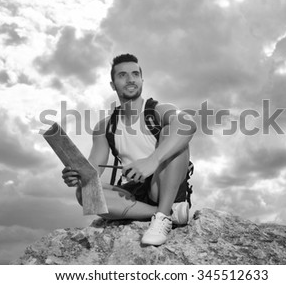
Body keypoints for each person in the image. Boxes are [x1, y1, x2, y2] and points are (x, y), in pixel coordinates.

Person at [62, 54, 196, 246]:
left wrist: (152, 160)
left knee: (173, 132)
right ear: (113, 84)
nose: (130, 79)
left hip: (164, 183)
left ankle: (163, 215)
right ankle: (168, 212)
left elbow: (187, 124)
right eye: (123, 75)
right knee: (85, 192)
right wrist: (77, 175)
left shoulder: (159, 110)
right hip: (136, 192)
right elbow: (92, 170)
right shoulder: (105, 127)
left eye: (135, 74)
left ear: (142, 80)